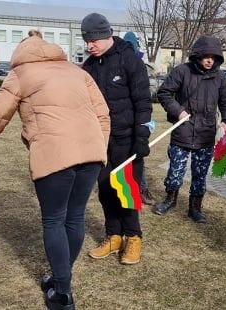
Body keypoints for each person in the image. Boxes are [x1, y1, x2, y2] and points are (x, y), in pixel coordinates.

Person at [0, 33, 110, 310]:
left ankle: (62, 292)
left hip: (54, 155)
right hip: (91, 155)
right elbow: (103, 114)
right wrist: (98, 146)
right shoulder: (76, 71)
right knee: (75, 216)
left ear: (21, 52)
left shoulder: (21, 73)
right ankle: (60, 278)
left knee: (54, 220)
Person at [80, 13, 152, 265]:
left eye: (93, 40)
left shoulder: (130, 60)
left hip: (128, 140)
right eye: (86, 40)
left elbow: (143, 101)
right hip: (101, 141)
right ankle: (114, 236)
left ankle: (133, 237)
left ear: (107, 35)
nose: (89, 45)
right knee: (106, 190)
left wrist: (142, 135)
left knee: (127, 190)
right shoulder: (88, 67)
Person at [153, 36, 226, 223]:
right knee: (175, 171)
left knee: (200, 175)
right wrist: (178, 111)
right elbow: (164, 93)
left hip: (206, 135)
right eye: (206, 56)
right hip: (182, 132)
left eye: (213, 57)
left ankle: (195, 207)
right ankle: (170, 199)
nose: (209, 60)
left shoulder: (220, 77)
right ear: (197, 56)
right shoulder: (182, 71)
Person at [121, 31, 155, 206]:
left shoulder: (139, 65)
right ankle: (127, 189)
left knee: (138, 155)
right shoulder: (118, 63)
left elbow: (144, 96)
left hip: (139, 119)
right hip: (122, 121)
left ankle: (141, 189)